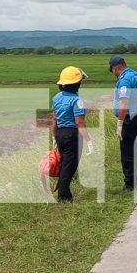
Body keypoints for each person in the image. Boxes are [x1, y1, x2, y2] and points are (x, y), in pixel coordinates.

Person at [52, 66, 93, 203]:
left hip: (60, 133)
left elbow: (54, 119)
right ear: (77, 83)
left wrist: (54, 136)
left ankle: (62, 192)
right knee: (70, 166)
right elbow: (80, 123)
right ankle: (64, 197)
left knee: (64, 163)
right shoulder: (77, 101)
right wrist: (89, 141)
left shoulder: (57, 97)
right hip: (72, 135)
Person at [110, 55, 137, 191]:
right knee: (134, 149)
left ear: (115, 68)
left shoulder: (124, 80)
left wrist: (120, 123)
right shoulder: (136, 75)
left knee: (127, 152)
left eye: (112, 70)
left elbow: (124, 102)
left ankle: (130, 183)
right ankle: (134, 179)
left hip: (129, 119)